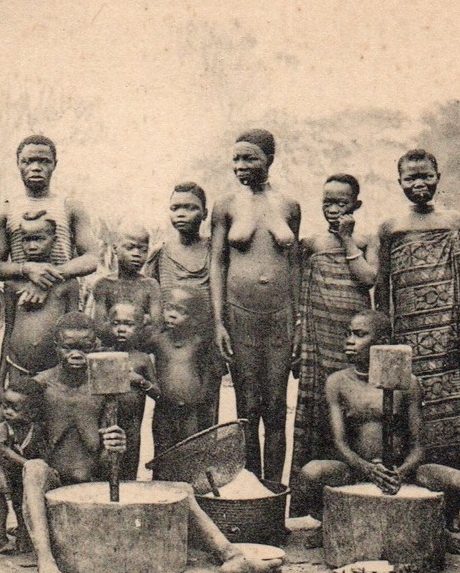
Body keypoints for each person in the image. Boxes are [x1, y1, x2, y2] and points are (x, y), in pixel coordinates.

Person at [21, 314, 284, 573]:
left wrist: (115, 446)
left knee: (180, 489)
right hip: (56, 485)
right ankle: (46, 561)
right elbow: (22, 447)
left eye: (85, 348)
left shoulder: (103, 384)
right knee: (34, 468)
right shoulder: (40, 386)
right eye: (67, 347)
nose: (76, 354)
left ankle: (230, 555)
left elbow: (110, 450)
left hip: (92, 483)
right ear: (55, 346)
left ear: (96, 345)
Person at [294, 310, 460, 553]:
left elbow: (419, 446)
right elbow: (339, 443)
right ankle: (328, 522)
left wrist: (400, 473)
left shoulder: (409, 382)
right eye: (348, 334)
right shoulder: (337, 382)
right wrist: (368, 469)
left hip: (402, 472)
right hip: (355, 470)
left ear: (381, 343)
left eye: (359, 335)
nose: (349, 340)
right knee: (310, 474)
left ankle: (440, 521)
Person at [377, 148, 460, 527]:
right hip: (409, 335)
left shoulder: (456, 221)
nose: (418, 184)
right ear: (400, 182)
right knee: (412, 412)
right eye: (410, 178)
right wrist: (384, 334)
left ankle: (453, 507)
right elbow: (382, 285)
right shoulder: (391, 227)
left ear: (439, 176)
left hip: (449, 334)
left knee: (454, 414)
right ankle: (417, 500)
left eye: (426, 176)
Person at [209, 128, 301, 485]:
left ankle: (274, 492)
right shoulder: (226, 205)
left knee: (276, 409)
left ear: (270, 160)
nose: (240, 166)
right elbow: (217, 262)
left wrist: (298, 320)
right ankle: (251, 491)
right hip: (240, 315)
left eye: (250, 158)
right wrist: (219, 321)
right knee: (246, 408)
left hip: (279, 317)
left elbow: (293, 266)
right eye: (236, 158)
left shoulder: (289, 205)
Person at [292, 174, 377, 486]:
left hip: (353, 334)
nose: (333, 208)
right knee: (320, 405)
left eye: (341, 202)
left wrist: (347, 240)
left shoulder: (366, 240)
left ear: (356, 204)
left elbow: (368, 278)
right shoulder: (311, 243)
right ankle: (315, 496)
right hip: (319, 334)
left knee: (354, 400)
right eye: (327, 202)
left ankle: (362, 478)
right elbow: (299, 292)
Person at [0, 134, 99, 382]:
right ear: (18, 163)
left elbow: (92, 258)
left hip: (60, 298)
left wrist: (47, 277)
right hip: (22, 301)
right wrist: (27, 269)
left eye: (43, 161)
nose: (36, 167)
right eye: (27, 161)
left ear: (54, 163)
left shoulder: (70, 207)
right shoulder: (6, 210)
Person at [0, 214, 81, 383]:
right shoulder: (12, 284)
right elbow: (8, 331)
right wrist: (1, 379)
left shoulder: (68, 284)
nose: (32, 246)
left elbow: (74, 334)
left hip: (54, 370)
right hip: (18, 368)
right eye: (26, 240)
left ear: (54, 239)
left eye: (39, 239)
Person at [147, 287, 221, 456]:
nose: (172, 315)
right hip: (164, 408)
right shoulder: (158, 340)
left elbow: (213, 372)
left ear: (195, 318)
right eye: (169, 308)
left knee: (190, 453)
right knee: (162, 454)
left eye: (181, 311)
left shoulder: (199, 342)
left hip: (192, 410)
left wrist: (202, 397)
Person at [0, 377, 44, 554]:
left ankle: (23, 535)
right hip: (3, 472)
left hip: (18, 474)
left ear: (31, 411)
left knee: (20, 504)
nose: (7, 411)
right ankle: (1, 538)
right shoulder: (3, 427)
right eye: (5, 406)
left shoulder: (34, 427)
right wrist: (28, 463)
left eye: (14, 408)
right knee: (1, 508)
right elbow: (4, 450)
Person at [101, 301, 159, 482]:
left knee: (129, 467)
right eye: (116, 323)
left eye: (128, 324)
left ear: (140, 328)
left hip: (132, 424)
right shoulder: (101, 355)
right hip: (104, 421)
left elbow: (157, 394)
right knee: (104, 465)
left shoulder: (142, 360)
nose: (121, 329)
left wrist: (140, 380)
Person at [89, 223, 162, 332]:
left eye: (143, 250)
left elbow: (157, 327)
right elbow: (100, 327)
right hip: (112, 343)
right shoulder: (104, 284)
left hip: (142, 344)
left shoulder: (151, 285)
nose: (137, 254)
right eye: (130, 247)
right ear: (115, 249)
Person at [145, 182, 211, 293]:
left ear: (205, 213)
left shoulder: (214, 249)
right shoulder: (160, 253)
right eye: (174, 208)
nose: (180, 214)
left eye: (190, 208)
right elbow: (146, 293)